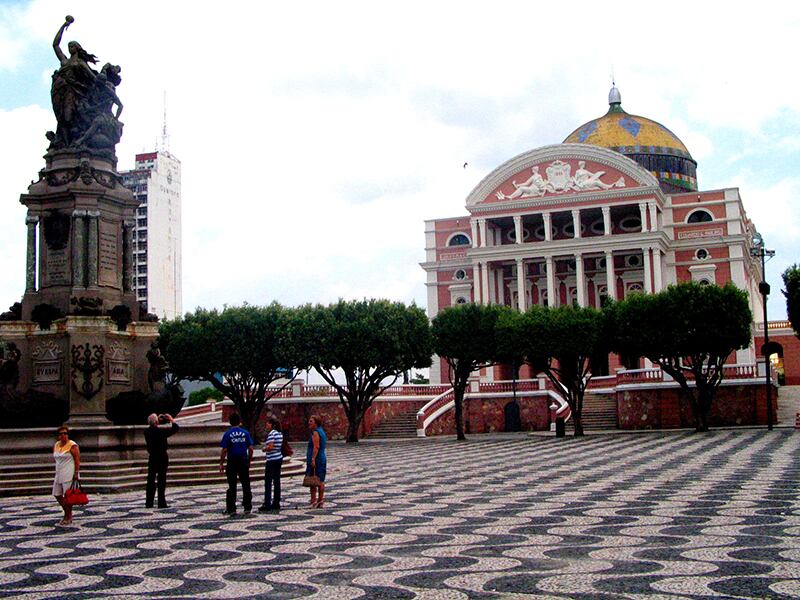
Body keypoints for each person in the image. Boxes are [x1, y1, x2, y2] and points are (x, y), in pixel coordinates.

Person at [219, 413, 253, 516]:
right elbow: (251, 448)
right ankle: (247, 507)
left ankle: (231, 508)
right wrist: (249, 460)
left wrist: (221, 463)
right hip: (243, 460)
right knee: (246, 484)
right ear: (239, 421)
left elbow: (224, 450)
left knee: (232, 485)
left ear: (230, 422)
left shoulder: (227, 434)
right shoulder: (245, 433)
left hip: (232, 461)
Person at [144, 412, 179, 508]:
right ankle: (161, 502)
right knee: (161, 480)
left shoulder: (146, 432)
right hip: (162, 457)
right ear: (157, 422)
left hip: (152, 457)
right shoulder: (161, 432)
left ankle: (149, 502)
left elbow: (152, 426)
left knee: (151, 479)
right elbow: (175, 428)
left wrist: (156, 420)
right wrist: (171, 419)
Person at [52, 426, 80, 526]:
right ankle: (67, 513)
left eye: (65, 433)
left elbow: (77, 460)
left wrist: (76, 473)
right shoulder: (56, 445)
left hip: (69, 473)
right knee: (57, 494)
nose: (63, 435)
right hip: (59, 473)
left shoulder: (72, 445)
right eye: (61, 434)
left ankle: (68, 516)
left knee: (68, 496)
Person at [259, 417, 284, 513]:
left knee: (268, 481)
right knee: (276, 481)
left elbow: (270, 446)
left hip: (271, 459)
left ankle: (267, 502)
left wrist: (264, 449)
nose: (266, 425)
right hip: (278, 457)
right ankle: (276, 502)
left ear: (272, 425)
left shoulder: (272, 434)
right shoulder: (280, 434)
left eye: (267, 424)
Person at [305, 415, 327, 509]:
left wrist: (313, 459)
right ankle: (320, 501)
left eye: (311, 421)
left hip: (317, 459)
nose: (309, 423)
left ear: (316, 423)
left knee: (313, 480)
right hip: (322, 457)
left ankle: (313, 500)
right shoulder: (322, 431)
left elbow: (316, 446)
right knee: (320, 480)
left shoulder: (316, 433)